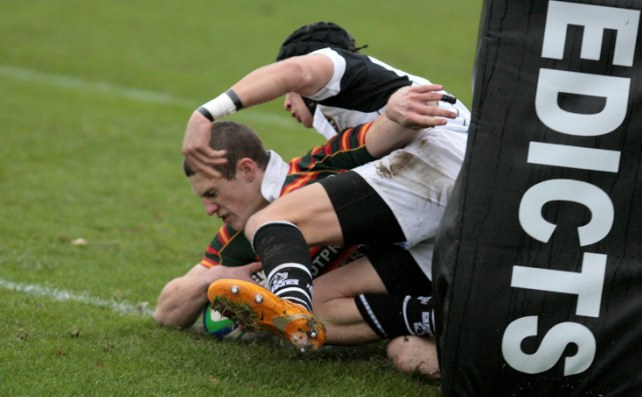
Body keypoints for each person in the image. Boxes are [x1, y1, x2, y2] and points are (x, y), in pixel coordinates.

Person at [179, 21, 468, 374]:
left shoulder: (334, 66)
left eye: (291, 92)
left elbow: (296, 71)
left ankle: (289, 302)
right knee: (352, 322)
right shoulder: (361, 109)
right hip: (448, 215)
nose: (287, 103)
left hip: (435, 169)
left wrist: (204, 114)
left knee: (270, 221)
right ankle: (442, 319)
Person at [155, 85, 452, 352]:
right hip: (408, 289)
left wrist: (397, 107)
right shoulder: (233, 239)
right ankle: (437, 319)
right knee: (404, 353)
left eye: (213, 193)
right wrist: (214, 277)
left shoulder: (321, 167)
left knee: (319, 309)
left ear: (246, 169)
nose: (209, 209)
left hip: (435, 253)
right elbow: (166, 313)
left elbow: (385, 132)